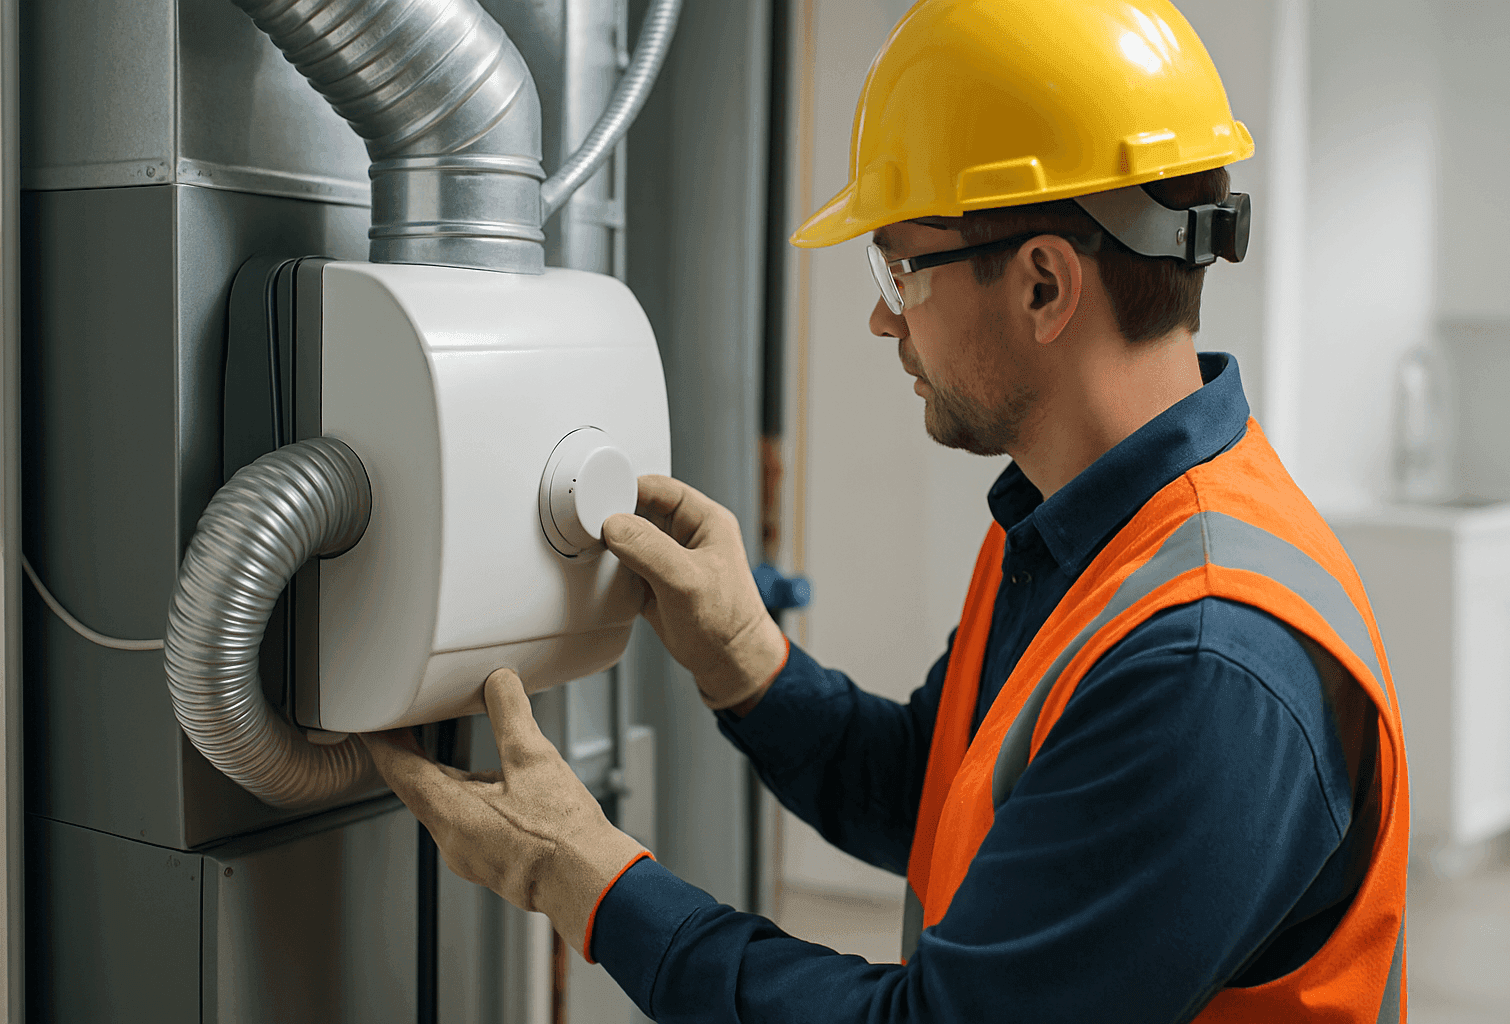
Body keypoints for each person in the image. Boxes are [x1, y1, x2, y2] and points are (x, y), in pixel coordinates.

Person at [362, 1, 1411, 1020]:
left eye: (901, 266)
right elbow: (945, 800)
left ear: (1045, 285)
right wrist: (748, 662)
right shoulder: (1080, 532)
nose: (879, 314)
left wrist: (584, 877)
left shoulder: (1205, 663)